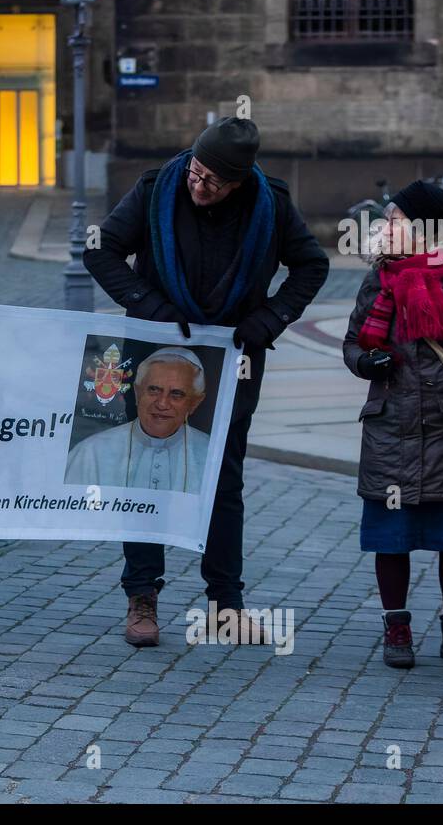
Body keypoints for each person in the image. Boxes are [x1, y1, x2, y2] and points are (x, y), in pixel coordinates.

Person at [84, 117, 329, 648]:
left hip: (234, 356)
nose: (199, 185)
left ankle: (225, 606)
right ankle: (141, 597)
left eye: (214, 181)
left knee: (224, 481)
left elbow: (312, 265)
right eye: (196, 172)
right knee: (143, 475)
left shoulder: (271, 203)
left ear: (239, 183)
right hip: (153, 346)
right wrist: (149, 306)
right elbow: (99, 250)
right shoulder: (156, 188)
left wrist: (269, 319)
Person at [342, 180, 443, 670]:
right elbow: (353, 343)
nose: (386, 226)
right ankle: (397, 630)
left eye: (395, 219)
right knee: (390, 539)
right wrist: (364, 363)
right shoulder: (378, 281)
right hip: (390, 428)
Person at [65, 347, 209, 492]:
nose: (162, 403)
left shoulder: (211, 455)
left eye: (176, 394)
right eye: (154, 390)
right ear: (137, 392)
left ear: (195, 402)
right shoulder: (91, 452)